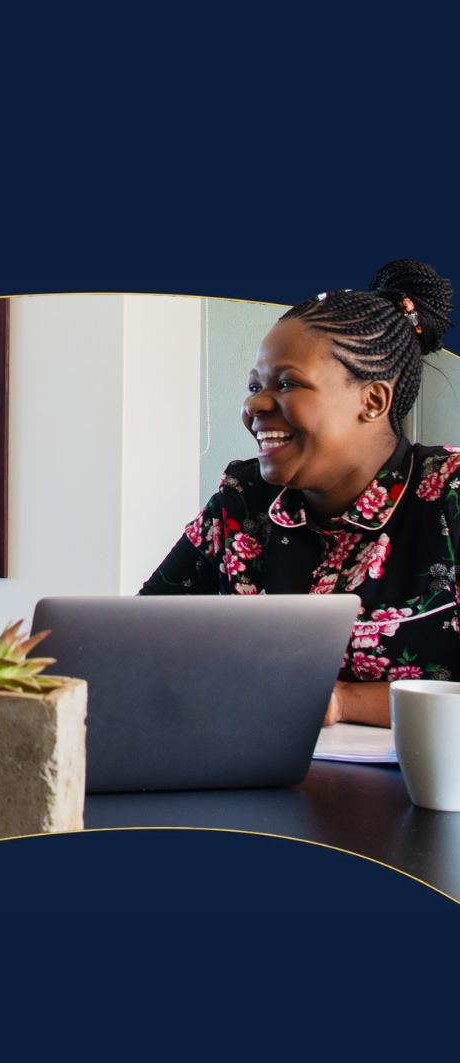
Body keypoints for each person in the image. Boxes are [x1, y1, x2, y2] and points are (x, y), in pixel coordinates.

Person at [142, 259, 456, 729]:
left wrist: (344, 703)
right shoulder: (242, 498)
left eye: (286, 383)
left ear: (373, 402)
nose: (253, 405)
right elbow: (139, 644)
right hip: (250, 780)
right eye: (254, 386)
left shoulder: (450, 493)